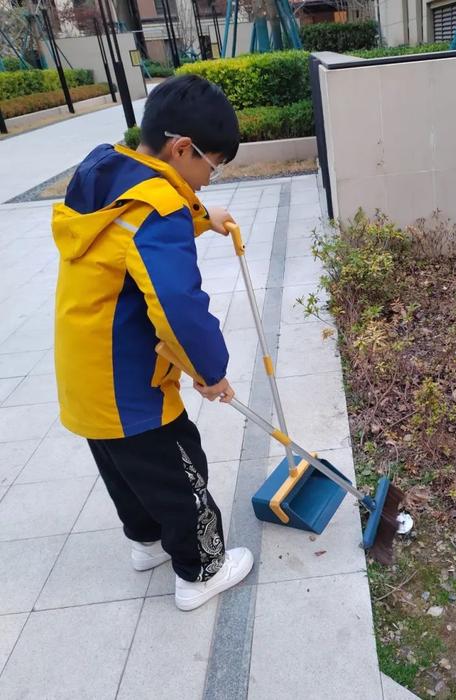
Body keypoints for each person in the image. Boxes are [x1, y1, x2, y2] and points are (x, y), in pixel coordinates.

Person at [51, 74, 253, 611]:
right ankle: (201, 570)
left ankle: (145, 543)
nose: (211, 179)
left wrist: (202, 217)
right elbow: (179, 308)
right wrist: (211, 371)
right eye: (213, 165)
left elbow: (134, 221)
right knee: (179, 467)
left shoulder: (108, 168)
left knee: (123, 465)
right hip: (128, 381)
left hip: (85, 373)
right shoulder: (158, 213)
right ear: (182, 148)